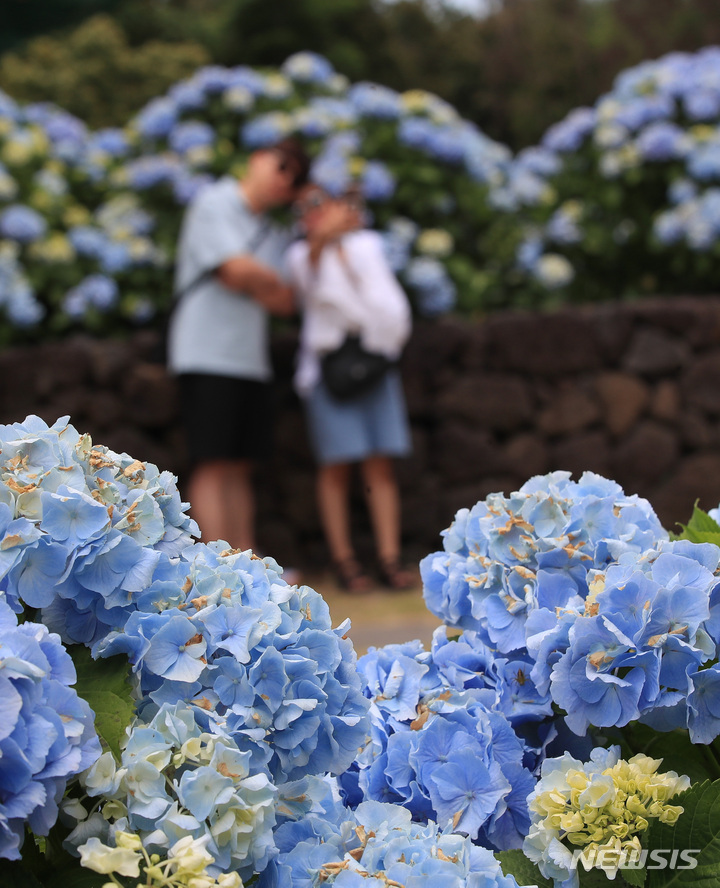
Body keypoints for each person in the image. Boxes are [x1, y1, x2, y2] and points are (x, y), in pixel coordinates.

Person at [167, 138, 310, 560]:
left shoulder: (276, 229)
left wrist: (251, 279)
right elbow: (233, 269)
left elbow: (285, 300)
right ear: (256, 159)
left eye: (296, 176)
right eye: (281, 165)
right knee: (211, 460)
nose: (285, 179)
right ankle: (219, 564)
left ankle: (246, 561)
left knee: (240, 465)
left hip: (249, 360)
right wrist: (256, 280)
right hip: (205, 351)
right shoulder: (215, 202)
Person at [287, 184, 415, 592]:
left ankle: (389, 558)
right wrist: (326, 239)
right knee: (337, 465)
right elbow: (307, 285)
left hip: (374, 359)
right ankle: (345, 562)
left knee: (380, 462)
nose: (319, 212)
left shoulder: (367, 246)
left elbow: (383, 301)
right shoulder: (298, 254)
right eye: (309, 207)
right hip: (331, 367)